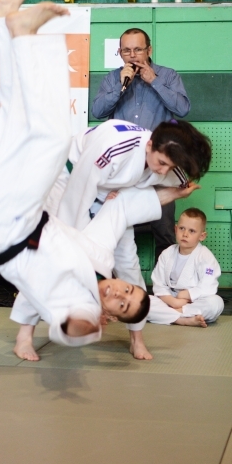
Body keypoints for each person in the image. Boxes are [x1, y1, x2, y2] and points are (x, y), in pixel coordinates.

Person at [0, 0, 197, 359]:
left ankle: (21, 34)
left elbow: (75, 320)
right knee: (18, 116)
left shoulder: (82, 295)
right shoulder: (98, 247)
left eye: (120, 302)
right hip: (53, 193)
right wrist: (168, 193)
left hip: (13, 226)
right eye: (127, 291)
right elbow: (103, 200)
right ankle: (6, 19)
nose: (119, 292)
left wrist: (87, 325)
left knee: (49, 135)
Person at [47, 118, 211, 359]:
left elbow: (159, 189)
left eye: (170, 166)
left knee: (128, 263)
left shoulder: (169, 161)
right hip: (70, 178)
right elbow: (75, 202)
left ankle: (137, 338)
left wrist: (177, 192)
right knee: (70, 257)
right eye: (161, 163)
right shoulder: (112, 147)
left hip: (115, 196)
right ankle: (38, 328)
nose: (163, 170)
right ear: (150, 144)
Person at [91, 29, 191, 261]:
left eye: (138, 49)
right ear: (120, 52)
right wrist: (120, 86)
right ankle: (114, 282)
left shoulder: (168, 76)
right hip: (123, 166)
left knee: (164, 230)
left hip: (158, 166)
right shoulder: (112, 78)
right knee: (115, 230)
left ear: (149, 50)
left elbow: (183, 109)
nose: (133, 55)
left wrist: (154, 81)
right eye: (127, 50)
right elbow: (97, 111)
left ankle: (164, 282)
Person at [148, 207, 224, 327]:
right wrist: (173, 302)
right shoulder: (167, 253)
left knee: (216, 303)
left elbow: (208, 285)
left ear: (202, 236)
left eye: (192, 231)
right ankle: (183, 319)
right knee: (143, 301)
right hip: (170, 299)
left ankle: (173, 314)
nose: (185, 234)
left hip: (193, 301)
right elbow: (159, 283)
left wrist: (187, 295)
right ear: (175, 229)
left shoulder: (205, 256)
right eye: (182, 228)